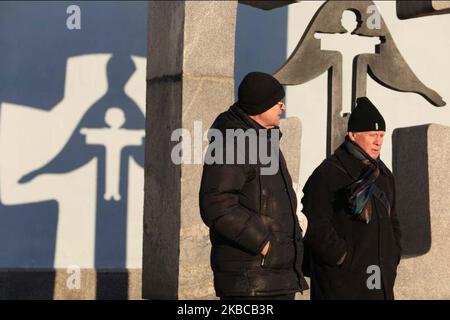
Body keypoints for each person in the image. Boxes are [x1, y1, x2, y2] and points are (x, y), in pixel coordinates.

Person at [199, 72, 308, 300]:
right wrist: (265, 243)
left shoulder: (265, 140)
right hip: (251, 280)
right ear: (261, 106)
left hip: (275, 276)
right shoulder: (233, 142)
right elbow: (217, 204)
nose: (283, 107)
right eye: (278, 102)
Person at [301, 97, 402, 300]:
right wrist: (343, 257)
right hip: (340, 285)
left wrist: (393, 254)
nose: (378, 141)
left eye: (382, 135)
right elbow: (314, 225)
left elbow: (393, 221)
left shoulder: (383, 174)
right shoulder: (328, 173)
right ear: (353, 135)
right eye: (373, 134)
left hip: (379, 281)